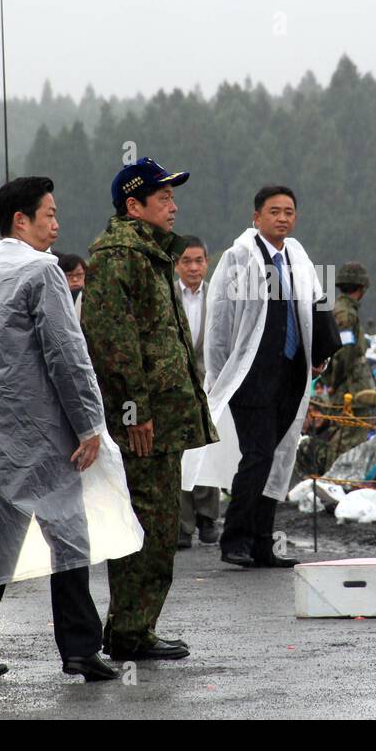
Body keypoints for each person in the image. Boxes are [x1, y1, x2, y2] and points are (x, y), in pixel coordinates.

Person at [0, 176, 127, 683]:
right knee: (69, 542)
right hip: (41, 436)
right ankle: (81, 650)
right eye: (49, 214)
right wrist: (89, 423)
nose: (57, 224)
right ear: (20, 220)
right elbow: (68, 355)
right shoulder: (41, 271)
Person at [82, 157, 215, 660]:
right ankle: (130, 634)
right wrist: (135, 410)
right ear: (134, 206)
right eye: (163, 198)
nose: (173, 206)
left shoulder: (150, 252)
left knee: (157, 527)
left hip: (163, 418)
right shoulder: (120, 256)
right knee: (149, 526)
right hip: (143, 422)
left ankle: (133, 629)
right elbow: (113, 343)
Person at [183, 185, 319, 569]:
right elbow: (221, 321)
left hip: (290, 373)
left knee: (276, 457)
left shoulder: (298, 257)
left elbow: (313, 307)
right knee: (257, 455)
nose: (282, 218)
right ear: (256, 217)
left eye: (289, 211)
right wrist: (224, 373)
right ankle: (235, 539)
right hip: (250, 376)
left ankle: (263, 542)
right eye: (274, 211)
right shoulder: (239, 258)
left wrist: (319, 352)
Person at [174, 237, 222, 548]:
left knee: (207, 450)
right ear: (177, 264)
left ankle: (208, 518)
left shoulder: (217, 297)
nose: (193, 267)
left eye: (199, 261)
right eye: (187, 261)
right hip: (175, 386)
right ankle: (182, 524)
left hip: (209, 385)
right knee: (178, 454)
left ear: (206, 262)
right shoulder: (166, 295)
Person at [322, 261, 375, 401]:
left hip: (347, 382)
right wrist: (335, 383)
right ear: (361, 287)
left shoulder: (339, 308)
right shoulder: (346, 314)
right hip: (351, 384)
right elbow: (345, 351)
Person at [56, 252, 87, 320]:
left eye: (79, 275)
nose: (75, 279)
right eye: (69, 275)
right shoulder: (56, 300)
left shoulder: (90, 299)